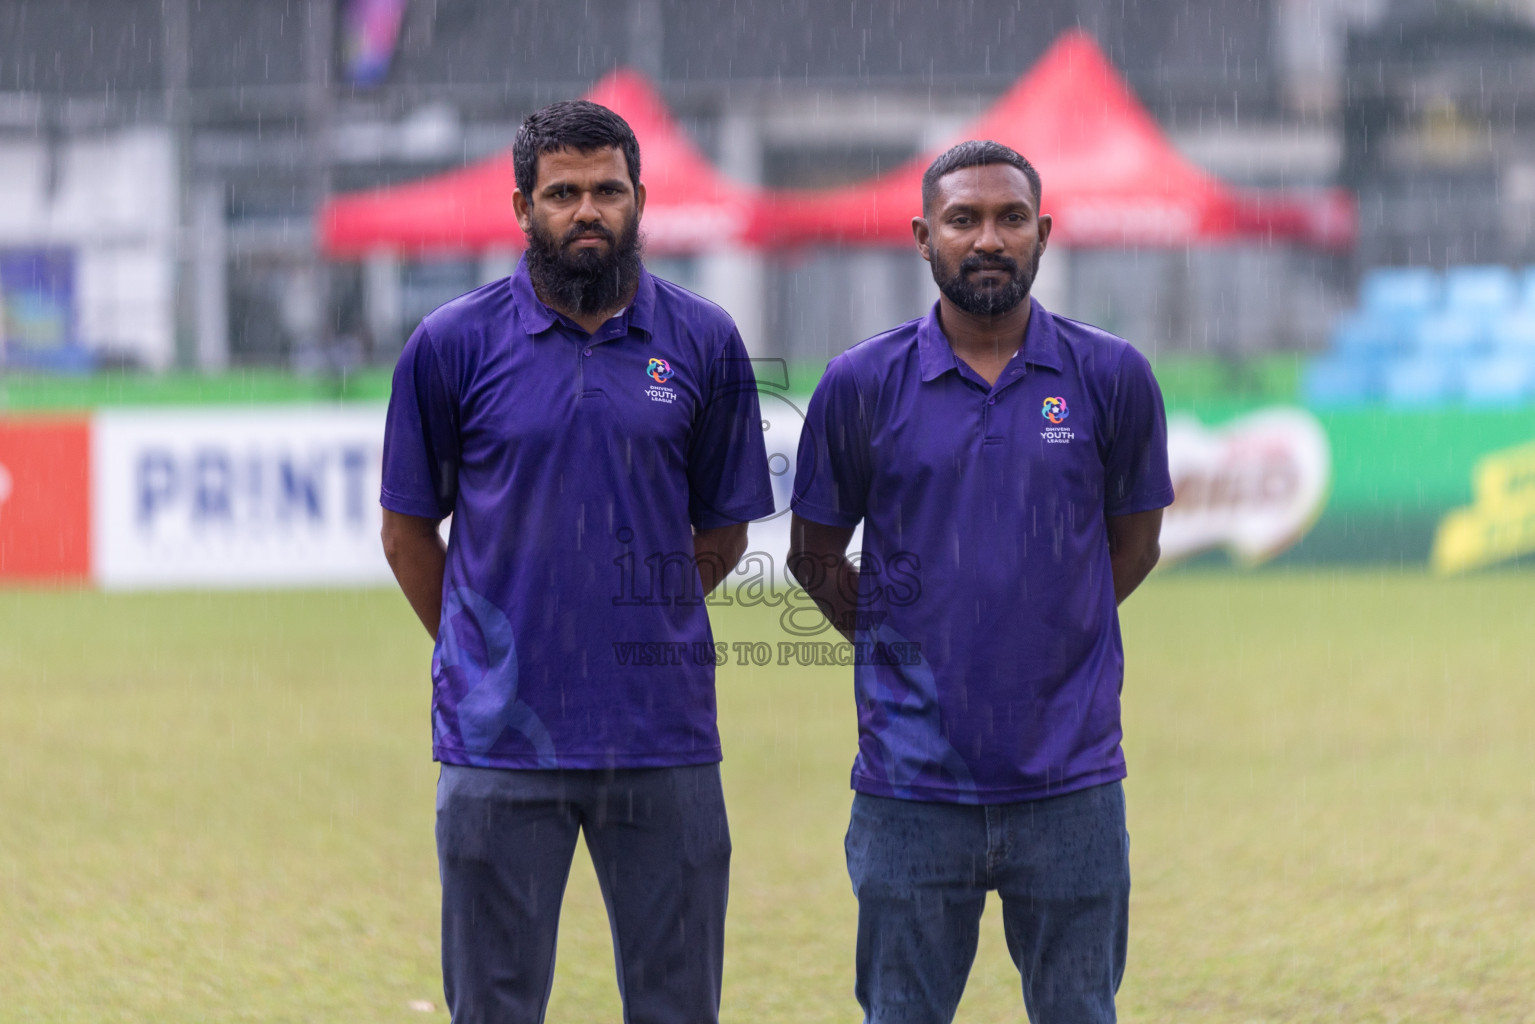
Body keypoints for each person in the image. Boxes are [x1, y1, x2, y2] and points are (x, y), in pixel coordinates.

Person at [379, 100, 775, 1024]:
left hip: (661, 735)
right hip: (499, 744)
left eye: (607, 190)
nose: (586, 210)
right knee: (495, 1007)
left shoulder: (704, 341)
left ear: (642, 198)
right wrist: (487, 653)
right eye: (563, 193)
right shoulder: (450, 345)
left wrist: (634, 624)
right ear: (522, 207)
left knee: (678, 1007)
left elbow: (722, 536)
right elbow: (407, 535)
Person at [787, 139, 1173, 1024]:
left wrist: (1047, 626)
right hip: (909, 790)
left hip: (1070, 784)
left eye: (1009, 219)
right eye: (963, 219)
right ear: (923, 237)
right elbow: (814, 556)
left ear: (1044, 234)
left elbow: (1136, 544)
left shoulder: (1110, 377)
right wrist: (907, 641)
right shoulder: (860, 385)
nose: (987, 238)